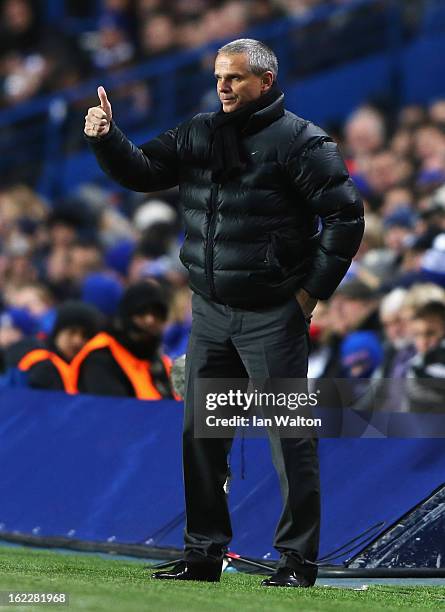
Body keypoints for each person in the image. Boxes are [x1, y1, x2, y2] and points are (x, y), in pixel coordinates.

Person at [84, 38, 364, 587]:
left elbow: (346, 218)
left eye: (235, 78)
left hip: (272, 313)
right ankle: (203, 553)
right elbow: (141, 170)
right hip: (210, 310)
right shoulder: (199, 132)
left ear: (265, 80)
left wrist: (308, 296)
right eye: (218, 78)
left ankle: (297, 561)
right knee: (202, 436)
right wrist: (107, 138)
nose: (224, 87)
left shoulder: (302, 142)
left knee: (290, 441)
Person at [74, 280, 175, 400]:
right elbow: (112, 410)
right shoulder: (100, 355)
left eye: (157, 314)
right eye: (142, 311)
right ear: (127, 313)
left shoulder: (161, 362)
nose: (150, 320)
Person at [16, 301, 101, 393]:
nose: (78, 341)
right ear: (57, 333)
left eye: (85, 335)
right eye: (72, 332)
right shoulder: (42, 365)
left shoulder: (91, 366)